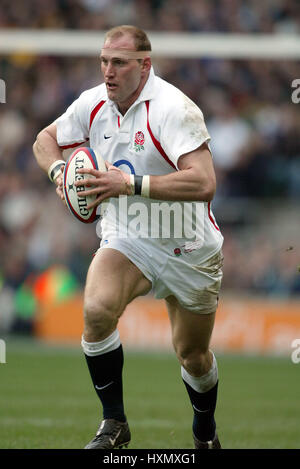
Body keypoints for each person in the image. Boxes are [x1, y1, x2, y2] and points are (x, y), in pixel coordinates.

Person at [33, 25, 224, 450]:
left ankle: (205, 431)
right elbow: (45, 140)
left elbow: (204, 182)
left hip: (187, 246)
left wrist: (130, 184)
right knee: (97, 309)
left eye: (118, 62)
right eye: (103, 61)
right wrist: (59, 172)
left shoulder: (174, 108)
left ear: (145, 65)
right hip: (128, 235)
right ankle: (115, 423)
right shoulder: (93, 103)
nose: (108, 71)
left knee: (192, 356)